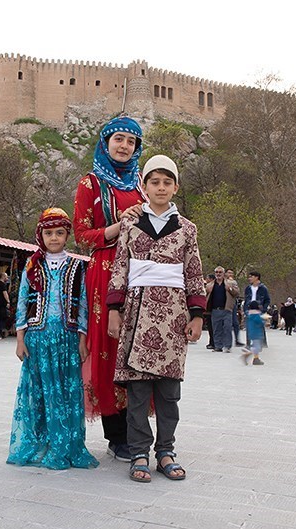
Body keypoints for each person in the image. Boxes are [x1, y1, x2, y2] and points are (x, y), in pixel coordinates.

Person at [106, 154, 205, 483]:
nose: (160, 188)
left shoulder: (188, 228)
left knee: (168, 392)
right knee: (137, 392)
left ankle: (166, 450)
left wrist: (197, 315)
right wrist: (113, 310)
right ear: (144, 187)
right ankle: (138, 451)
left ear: (175, 187)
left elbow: (193, 272)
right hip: (136, 313)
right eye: (154, 182)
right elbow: (120, 267)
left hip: (174, 316)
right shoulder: (131, 226)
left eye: (167, 182)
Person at [72, 115, 146, 463]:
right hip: (103, 271)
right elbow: (82, 236)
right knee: (110, 349)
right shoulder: (90, 183)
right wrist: (119, 226)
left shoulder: (142, 186)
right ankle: (116, 435)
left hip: (140, 273)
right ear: (105, 142)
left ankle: (138, 429)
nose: (124, 146)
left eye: (131, 142)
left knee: (136, 349)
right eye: (118, 139)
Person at [7, 208, 99, 470]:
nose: (54, 238)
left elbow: (83, 305)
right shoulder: (32, 265)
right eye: (49, 233)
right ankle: (40, 442)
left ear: (67, 235)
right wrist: (20, 338)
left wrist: (82, 339)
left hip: (67, 340)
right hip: (38, 340)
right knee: (39, 393)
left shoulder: (77, 266)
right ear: (41, 235)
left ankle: (66, 444)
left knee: (66, 393)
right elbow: (22, 300)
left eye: (59, 233)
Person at [205, 266, 239, 352]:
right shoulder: (210, 285)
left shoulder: (230, 283)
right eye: (216, 272)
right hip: (215, 310)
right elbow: (203, 295)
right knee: (216, 329)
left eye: (220, 272)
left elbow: (237, 293)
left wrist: (230, 289)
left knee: (227, 328)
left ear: (224, 274)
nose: (218, 274)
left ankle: (227, 346)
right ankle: (218, 346)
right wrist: (207, 291)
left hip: (226, 309)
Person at [242, 270, 271, 346]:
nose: (249, 278)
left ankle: (262, 343)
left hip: (259, 308)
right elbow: (246, 299)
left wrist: (264, 309)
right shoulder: (248, 288)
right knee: (249, 326)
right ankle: (249, 343)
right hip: (249, 308)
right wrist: (245, 310)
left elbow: (267, 300)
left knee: (259, 325)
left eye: (251, 277)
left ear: (256, 277)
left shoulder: (263, 288)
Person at [241, 301, 266, 366]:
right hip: (257, 332)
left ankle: (256, 358)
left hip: (251, 332)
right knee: (257, 347)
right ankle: (248, 355)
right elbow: (260, 322)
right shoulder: (256, 315)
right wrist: (264, 321)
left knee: (256, 345)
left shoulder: (249, 315)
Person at [226, 269, 245, 347]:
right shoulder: (222, 282)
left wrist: (230, 287)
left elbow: (237, 293)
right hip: (224, 305)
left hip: (232, 304)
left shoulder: (234, 283)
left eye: (232, 273)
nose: (230, 274)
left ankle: (237, 340)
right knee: (226, 324)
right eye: (229, 273)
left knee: (235, 323)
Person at [0, 272, 11, 339]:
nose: (7, 278)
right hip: (3, 304)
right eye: (6, 277)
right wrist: (8, 301)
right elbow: (5, 293)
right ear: (3, 277)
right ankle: (0, 332)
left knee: (0, 318)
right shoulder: (3, 285)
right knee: (4, 318)